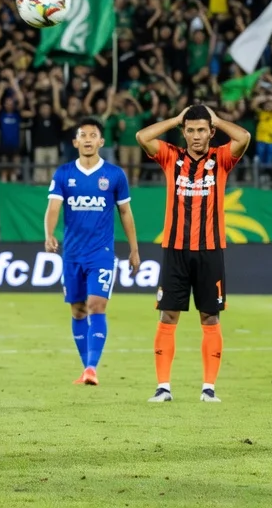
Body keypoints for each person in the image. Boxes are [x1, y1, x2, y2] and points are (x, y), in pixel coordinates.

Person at [135, 105, 252, 403]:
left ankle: (208, 388)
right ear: (183, 132)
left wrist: (217, 119)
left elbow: (244, 137)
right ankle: (163, 387)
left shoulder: (221, 159)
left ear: (211, 132)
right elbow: (142, 136)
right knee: (168, 314)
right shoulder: (170, 156)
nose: (196, 136)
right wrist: (175, 119)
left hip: (210, 251)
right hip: (174, 249)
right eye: (190, 130)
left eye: (202, 130)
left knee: (210, 317)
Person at [44, 117, 141, 387]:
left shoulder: (114, 175)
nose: (87, 139)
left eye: (93, 135)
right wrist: (49, 234)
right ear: (75, 142)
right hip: (72, 254)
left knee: (97, 305)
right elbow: (53, 208)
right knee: (77, 310)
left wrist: (134, 250)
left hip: (101, 253)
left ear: (101, 141)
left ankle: (91, 368)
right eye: (82, 135)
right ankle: (85, 365)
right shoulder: (64, 174)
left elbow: (125, 212)